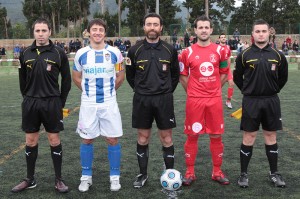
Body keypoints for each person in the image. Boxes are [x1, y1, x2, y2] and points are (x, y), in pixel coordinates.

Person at [12, 18, 71, 193]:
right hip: (31, 102)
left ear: (50, 32)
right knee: (30, 141)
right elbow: (22, 80)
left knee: (54, 140)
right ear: (34, 32)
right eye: (37, 31)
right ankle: (30, 179)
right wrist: (27, 98)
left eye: (44, 30)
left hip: (52, 103)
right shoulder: (25, 53)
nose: (41, 34)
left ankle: (58, 180)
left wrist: (60, 102)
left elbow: (66, 81)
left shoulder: (59, 53)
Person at [125, 13, 180, 188]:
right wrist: (141, 89)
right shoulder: (134, 50)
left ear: (161, 27)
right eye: (149, 24)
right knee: (143, 137)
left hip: (164, 99)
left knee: (166, 137)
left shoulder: (170, 49)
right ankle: (142, 174)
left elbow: (175, 76)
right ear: (144, 27)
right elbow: (130, 76)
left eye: (156, 24)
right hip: (142, 99)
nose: (152, 27)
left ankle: (170, 173)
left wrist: (165, 91)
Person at [234, 19, 288, 188]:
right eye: (257, 31)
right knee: (249, 137)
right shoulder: (244, 55)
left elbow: (283, 78)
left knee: (271, 136)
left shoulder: (278, 55)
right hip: (251, 101)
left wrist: (272, 90)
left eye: (263, 31)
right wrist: (247, 90)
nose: (261, 34)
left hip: (271, 100)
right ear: (252, 34)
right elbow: (237, 78)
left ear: (269, 33)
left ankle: (274, 173)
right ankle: (243, 174)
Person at [73, 18, 125, 192]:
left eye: (100, 30)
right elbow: (76, 77)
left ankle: (115, 177)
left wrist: (110, 92)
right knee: (87, 139)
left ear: (105, 32)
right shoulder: (81, 53)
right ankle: (86, 177)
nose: (97, 32)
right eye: (94, 29)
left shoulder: (115, 53)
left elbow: (120, 76)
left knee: (112, 139)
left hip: (109, 103)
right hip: (88, 104)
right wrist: (88, 93)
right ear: (88, 32)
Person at [179, 15, 230, 186]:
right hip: (195, 101)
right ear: (195, 30)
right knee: (192, 135)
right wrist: (193, 92)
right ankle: (190, 172)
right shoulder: (186, 53)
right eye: (200, 27)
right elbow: (182, 76)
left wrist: (215, 89)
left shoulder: (221, 51)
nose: (203, 30)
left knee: (216, 135)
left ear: (211, 30)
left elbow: (224, 73)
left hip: (214, 100)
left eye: (206, 27)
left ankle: (217, 172)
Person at [219, 33, 234, 109]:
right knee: (218, 88)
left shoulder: (228, 47)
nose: (223, 38)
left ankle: (228, 101)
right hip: (220, 71)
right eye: (222, 37)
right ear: (219, 39)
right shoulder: (217, 48)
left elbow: (228, 58)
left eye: (224, 37)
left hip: (227, 70)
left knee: (231, 84)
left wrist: (229, 68)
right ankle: (215, 101)